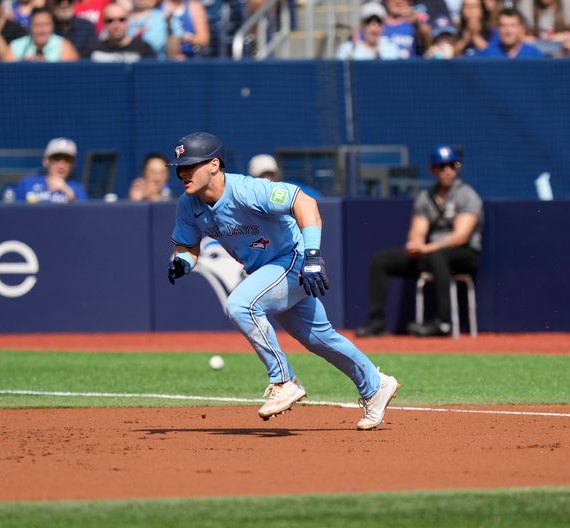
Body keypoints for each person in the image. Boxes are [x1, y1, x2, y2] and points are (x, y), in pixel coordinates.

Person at [166, 132, 399, 430]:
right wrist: (184, 262)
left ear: (214, 165)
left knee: (240, 305)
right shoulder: (189, 205)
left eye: (190, 165)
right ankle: (374, 385)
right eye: (180, 167)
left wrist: (313, 255)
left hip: (292, 259)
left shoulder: (247, 190)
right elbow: (187, 245)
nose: (182, 173)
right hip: (265, 272)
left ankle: (283, 380)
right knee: (319, 338)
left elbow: (305, 204)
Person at [356, 145, 484, 338]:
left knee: (438, 256)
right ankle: (377, 322)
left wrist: (426, 248)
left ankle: (442, 323)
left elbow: (461, 236)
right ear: (432, 170)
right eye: (441, 166)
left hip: (463, 254)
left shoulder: (467, 195)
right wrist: (415, 245)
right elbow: (418, 230)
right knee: (382, 260)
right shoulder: (426, 197)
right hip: (431, 253)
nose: (447, 171)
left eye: (452, 165)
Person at [14, 137, 87, 203]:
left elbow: (84, 215)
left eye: (67, 160)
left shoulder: (77, 189)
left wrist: (67, 191)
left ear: (73, 165)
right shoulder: (27, 184)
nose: (61, 166)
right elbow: (12, 213)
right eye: (56, 158)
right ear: (45, 161)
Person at [0, 6, 78, 61]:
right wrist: (21, 65)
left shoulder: (63, 46)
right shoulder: (16, 46)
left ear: (53, 26)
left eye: (46, 24)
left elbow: (71, 75)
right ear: (30, 26)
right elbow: (4, 74)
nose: (42, 30)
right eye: (37, 25)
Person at [82, 2, 156, 62]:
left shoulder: (144, 49)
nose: (116, 26)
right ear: (104, 23)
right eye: (110, 21)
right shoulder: (92, 50)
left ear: (128, 21)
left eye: (121, 20)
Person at [336, 2, 402, 60]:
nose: (374, 26)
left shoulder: (392, 50)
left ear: (383, 27)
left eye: (378, 21)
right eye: (368, 21)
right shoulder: (347, 50)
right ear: (362, 26)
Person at [476, 7, 543, 58]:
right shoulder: (487, 56)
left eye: (513, 26)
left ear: (522, 29)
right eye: (503, 26)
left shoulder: (534, 56)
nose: (508, 31)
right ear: (498, 29)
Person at [247, 153, 321, 198]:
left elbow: (320, 200)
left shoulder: (291, 189)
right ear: (253, 177)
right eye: (262, 175)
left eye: (270, 174)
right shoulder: (246, 196)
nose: (267, 179)